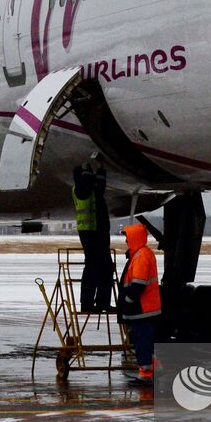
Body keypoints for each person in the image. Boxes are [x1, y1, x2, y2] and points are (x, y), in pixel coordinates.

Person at [117, 223, 161, 384]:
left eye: (127, 238)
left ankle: (147, 375)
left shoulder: (141, 256)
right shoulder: (140, 254)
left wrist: (128, 301)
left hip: (142, 309)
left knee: (143, 342)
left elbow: (138, 284)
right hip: (144, 308)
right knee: (145, 342)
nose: (126, 242)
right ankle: (150, 372)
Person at [72, 159, 114, 313]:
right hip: (89, 232)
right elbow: (86, 186)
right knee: (93, 266)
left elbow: (99, 187)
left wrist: (101, 171)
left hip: (100, 230)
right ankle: (87, 303)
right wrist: (88, 172)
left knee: (106, 267)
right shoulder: (80, 190)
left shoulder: (91, 189)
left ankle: (103, 302)